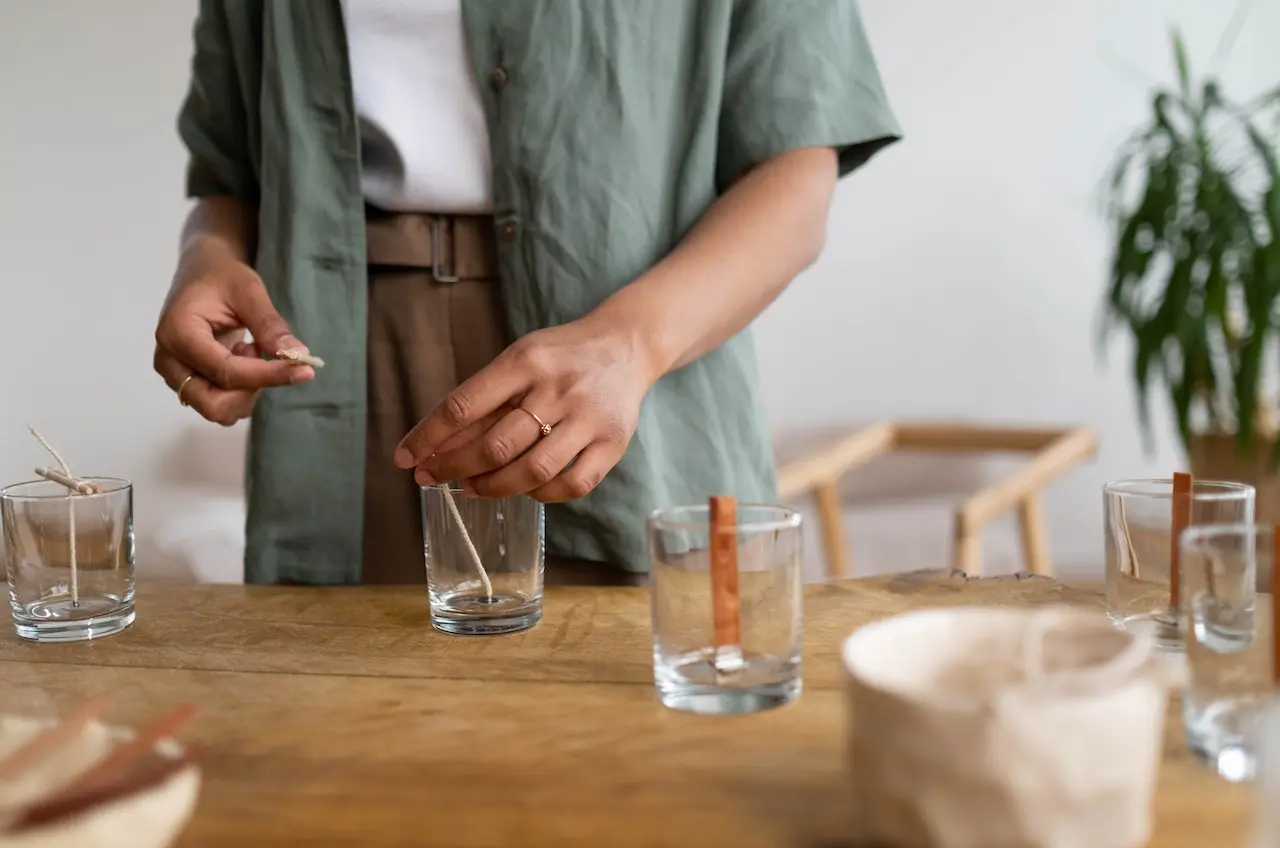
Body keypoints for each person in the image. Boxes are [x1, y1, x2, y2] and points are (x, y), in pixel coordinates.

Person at [154, 0, 901, 586]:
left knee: (660, 735)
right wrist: (206, 256)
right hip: (344, 382)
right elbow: (231, 173)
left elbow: (798, 176)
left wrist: (629, 346)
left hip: (643, 369)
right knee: (353, 741)